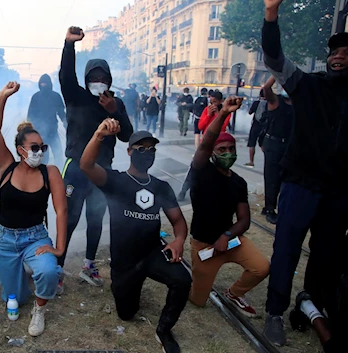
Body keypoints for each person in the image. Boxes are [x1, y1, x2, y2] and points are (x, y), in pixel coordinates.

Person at [261, 0, 348, 346]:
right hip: (300, 185)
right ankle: (274, 312)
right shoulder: (307, 85)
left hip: (339, 192)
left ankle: (310, 307)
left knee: (326, 255)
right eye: (335, 51)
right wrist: (271, 15)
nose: (338, 56)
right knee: (286, 250)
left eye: (345, 52)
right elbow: (273, 57)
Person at [80, 120, 192, 353]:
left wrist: (178, 240)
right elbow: (87, 165)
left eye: (151, 149)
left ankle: (164, 330)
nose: (147, 153)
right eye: (141, 148)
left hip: (152, 252)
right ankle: (130, 285)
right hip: (124, 260)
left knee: (182, 279)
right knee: (126, 314)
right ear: (129, 151)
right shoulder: (116, 181)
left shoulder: (161, 187)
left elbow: (179, 221)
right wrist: (99, 134)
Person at [58, 26, 133, 289]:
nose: (98, 81)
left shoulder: (116, 102)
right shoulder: (76, 96)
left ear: (110, 80)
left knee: (96, 218)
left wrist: (115, 112)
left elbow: (127, 136)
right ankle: (57, 269)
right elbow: (66, 76)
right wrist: (69, 45)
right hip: (76, 168)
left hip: (103, 170)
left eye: (103, 77)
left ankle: (89, 266)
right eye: (94, 76)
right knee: (69, 218)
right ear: (87, 78)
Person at [0, 82, 66, 337]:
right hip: (4, 239)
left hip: (35, 237)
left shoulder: (50, 172)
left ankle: (40, 308)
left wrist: (59, 248)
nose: (40, 152)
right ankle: (25, 278)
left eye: (42, 147)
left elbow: (61, 210)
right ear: (21, 150)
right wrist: (3, 97)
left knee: (48, 270)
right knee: (14, 297)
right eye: (34, 148)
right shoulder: (6, 167)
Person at [188, 96, 270, 317]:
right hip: (205, 246)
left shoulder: (239, 182)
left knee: (261, 266)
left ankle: (234, 293)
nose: (227, 153)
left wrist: (226, 235)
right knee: (198, 300)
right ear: (213, 152)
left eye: (230, 148)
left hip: (230, 240)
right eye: (221, 148)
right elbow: (205, 143)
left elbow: (244, 220)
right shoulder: (201, 171)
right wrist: (223, 113)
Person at [260, 76, 294, 225]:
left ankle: (277, 206)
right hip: (273, 143)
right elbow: (266, 89)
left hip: (288, 145)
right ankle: (269, 209)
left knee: (284, 178)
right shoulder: (275, 100)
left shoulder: (297, 103)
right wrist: (277, 72)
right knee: (272, 178)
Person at [26, 74, 67, 167]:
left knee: (59, 154)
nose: (43, 86)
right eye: (42, 84)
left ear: (50, 84)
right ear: (39, 84)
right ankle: (43, 176)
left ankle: (60, 173)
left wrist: (67, 125)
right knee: (43, 157)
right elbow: (30, 116)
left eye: (45, 84)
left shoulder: (56, 96)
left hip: (53, 132)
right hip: (40, 134)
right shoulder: (35, 97)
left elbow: (61, 113)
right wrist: (28, 131)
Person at [245, 89, 267, 168]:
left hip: (255, 126)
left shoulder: (256, 103)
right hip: (265, 127)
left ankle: (251, 161)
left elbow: (250, 112)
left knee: (252, 144)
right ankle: (268, 159)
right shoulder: (269, 104)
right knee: (263, 144)